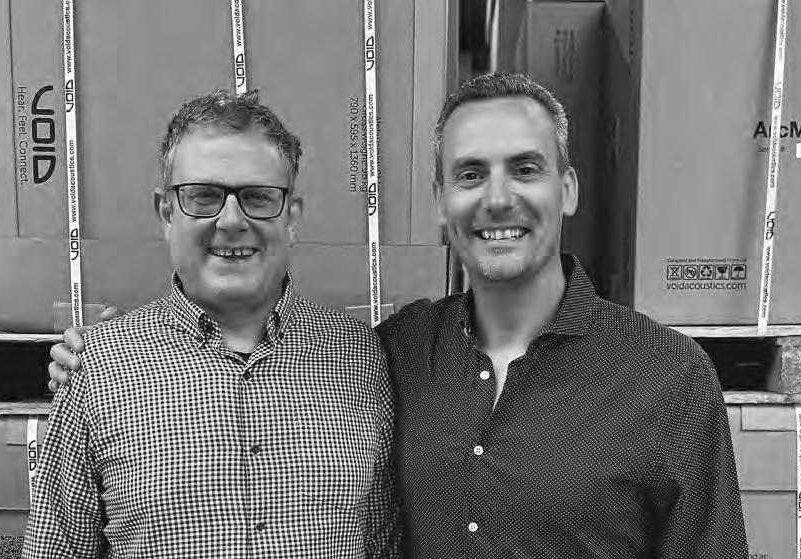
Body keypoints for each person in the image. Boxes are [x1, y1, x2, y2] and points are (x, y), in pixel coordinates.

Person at [50, 73, 749, 558]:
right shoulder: (399, 351)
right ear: (441, 202)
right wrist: (90, 360)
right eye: (470, 174)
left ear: (566, 188)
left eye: (525, 169)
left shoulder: (667, 376)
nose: (496, 199)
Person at [24, 90, 399, 558]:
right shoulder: (96, 368)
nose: (231, 221)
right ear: (166, 212)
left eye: (258, 197)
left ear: (292, 217)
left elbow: (384, 543)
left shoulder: (361, 357)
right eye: (203, 196)